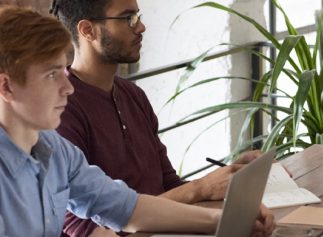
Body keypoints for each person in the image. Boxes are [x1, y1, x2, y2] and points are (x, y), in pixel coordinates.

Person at [0, 6, 275, 237]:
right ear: (6, 87)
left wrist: (226, 223)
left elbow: (126, 209)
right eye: (51, 75)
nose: (67, 87)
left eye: (63, 70)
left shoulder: (56, 151)